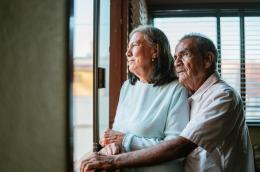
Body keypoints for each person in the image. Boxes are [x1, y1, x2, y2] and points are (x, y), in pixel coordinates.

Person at [80, 33, 255, 172]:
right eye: (175, 56)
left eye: (184, 55)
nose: (177, 62)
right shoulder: (191, 93)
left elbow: (179, 147)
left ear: (208, 60)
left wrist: (113, 160)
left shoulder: (223, 96)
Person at [89, 25, 190, 172]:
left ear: (155, 51)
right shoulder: (127, 87)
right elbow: (117, 133)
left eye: (134, 45)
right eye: (127, 47)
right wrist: (112, 145)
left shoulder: (176, 90)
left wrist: (125, 140)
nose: (127, 53)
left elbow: (175, 148)